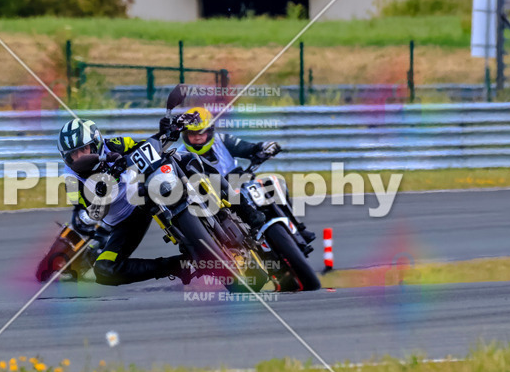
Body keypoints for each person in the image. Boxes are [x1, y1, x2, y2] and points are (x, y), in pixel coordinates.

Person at [57, 118, 195, 286]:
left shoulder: (114, 145)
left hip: (144, 190)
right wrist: (102, 196)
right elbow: (94, 214)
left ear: (96, 143)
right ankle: (177, 266)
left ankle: (220, 201)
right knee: (104, 269)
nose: (79, 157)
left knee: (182, 160)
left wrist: (166, 132)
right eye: (73, 154)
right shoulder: (71, 181)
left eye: (83, 149)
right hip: (126, 222)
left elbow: (146, 148)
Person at [176, 106, 317, 244]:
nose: (197, 138)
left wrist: (263, 148)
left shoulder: (222, 140)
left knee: (273, 182)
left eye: (201, 133)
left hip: (240, 180)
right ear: (185, 135)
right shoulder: (181, 156)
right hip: (216, 198)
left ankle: (298, 228)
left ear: (210, 131)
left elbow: (247, 148)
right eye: (192, 134)